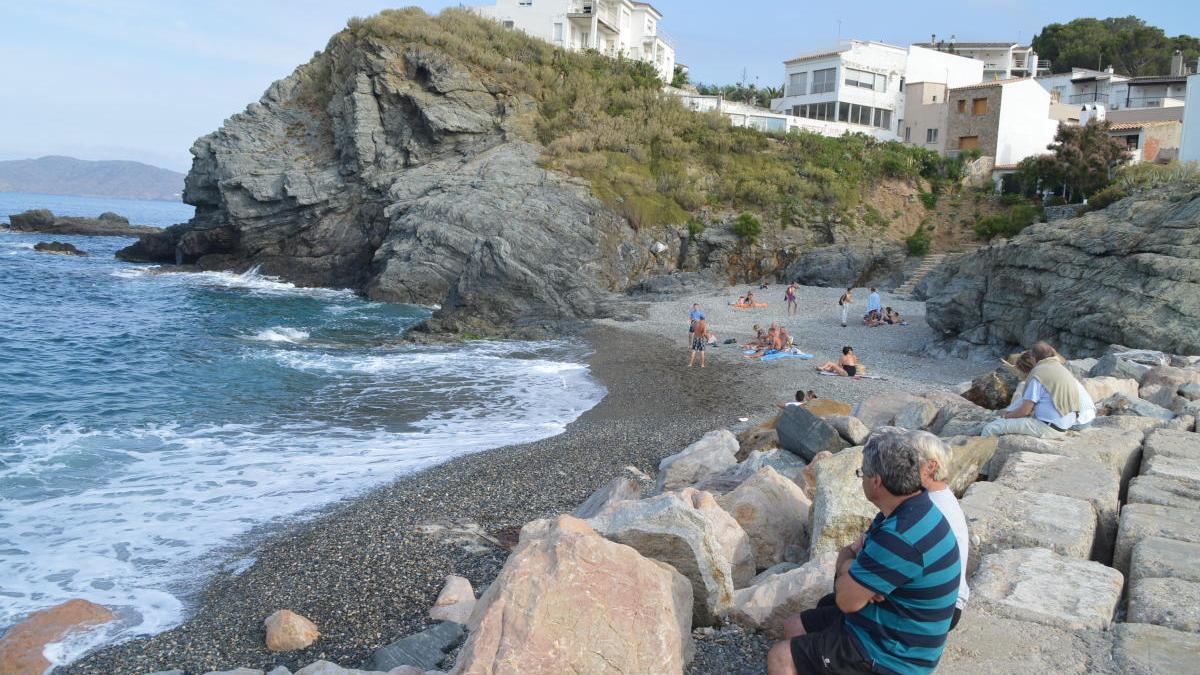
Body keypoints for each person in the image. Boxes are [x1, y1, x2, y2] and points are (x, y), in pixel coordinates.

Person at [768, 428, 960, 675]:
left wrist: (851, 568)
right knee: (795, 626)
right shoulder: (911, 509)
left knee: (781, 657)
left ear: (876, 481)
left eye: (862, 473)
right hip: (888, 622)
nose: (862, 479)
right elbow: (852, 561)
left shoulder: (900, 536)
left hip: (895, 656)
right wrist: (861, 577)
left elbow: (846, 599)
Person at [909, 431, 969, 629]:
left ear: (930, 466)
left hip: (942, 608)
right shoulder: (941, 496)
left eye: (907, 459)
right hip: (947, 601)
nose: (898, 465)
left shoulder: (930, 508)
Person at [980, 346, 1095, 438]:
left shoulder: (1037, 376)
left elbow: (1024, 410)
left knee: (991, 428)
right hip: (1078, 418)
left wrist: (1007, 415)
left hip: (1057, 425)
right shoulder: (1056, 369)